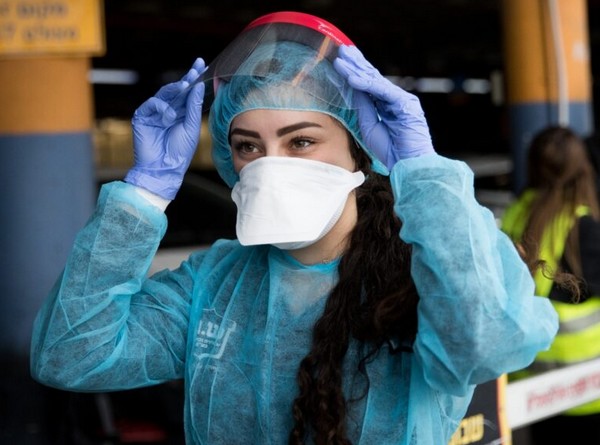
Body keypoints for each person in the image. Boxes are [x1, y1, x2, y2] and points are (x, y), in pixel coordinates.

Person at [30, 11, 558, 445]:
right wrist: (144, 193)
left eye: (301, 141)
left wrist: (423, 174)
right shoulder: (212, 285)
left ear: (360, 150)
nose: (269, 164)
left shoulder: (422, 277)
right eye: (248, 146)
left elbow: (487, 344)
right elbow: (71, 355)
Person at [501, 125, 600, 443]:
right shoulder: (583, 225)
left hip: (531, 380)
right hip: (585, 386)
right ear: (582, 169)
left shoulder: (516, 213)